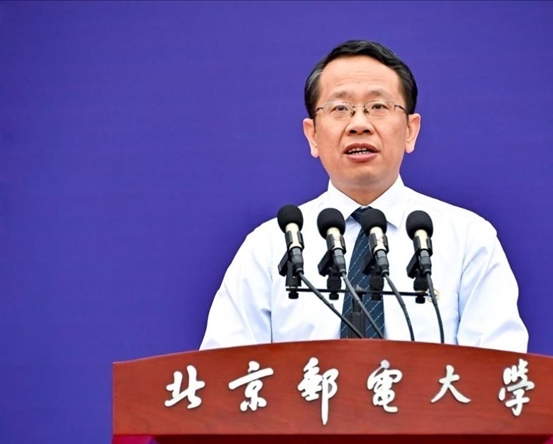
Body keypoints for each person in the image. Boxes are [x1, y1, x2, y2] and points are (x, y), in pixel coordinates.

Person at [199, 40, 528, 353]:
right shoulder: (269, 246)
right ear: (312, 135)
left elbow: (497, 371)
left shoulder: (468, 239)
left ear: (410, 130)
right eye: (340, 108)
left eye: (378, 106)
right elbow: (227, 375)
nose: (359, 124)